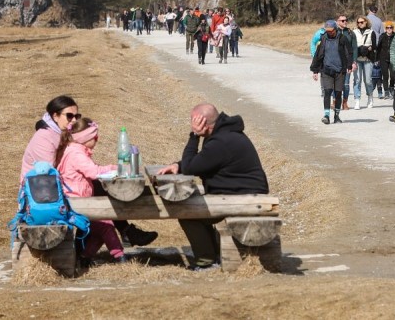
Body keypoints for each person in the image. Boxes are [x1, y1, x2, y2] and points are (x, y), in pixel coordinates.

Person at [19, 95, 156, 246]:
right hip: (40, 197)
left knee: (101, 185)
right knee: (98, 186)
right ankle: (125, 233)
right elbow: (46, 175)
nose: (73, 120)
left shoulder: (58, 133)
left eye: (77, 116)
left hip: (59, 187)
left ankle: (126, 232)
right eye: (69, 116)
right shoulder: (44, 138)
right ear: (55, 116)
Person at [155, 104, 268, 270]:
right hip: (242, 193)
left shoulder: (221, 141)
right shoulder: (224, 134)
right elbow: (202, 161)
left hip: (245, 199)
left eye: (193, 121)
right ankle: (211, 254)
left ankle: (206, 261)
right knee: (196, 205)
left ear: (202, 122)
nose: (192, 124)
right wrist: (178, 165)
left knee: (187, 211)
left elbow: (191, 168)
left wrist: (194, 136)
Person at [55, 117, 127, 266]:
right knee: (106, 224)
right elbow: (93, 172)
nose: (97, 139)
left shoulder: (74, 149)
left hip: (77, 200)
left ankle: (84, 257)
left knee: (100, 229)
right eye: (95, 137)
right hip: (75, 203)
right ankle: (120, 257)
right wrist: (115, 168)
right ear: (85, 138)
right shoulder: (76, 153)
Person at [310, 19, 353, 124]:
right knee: (327, 92)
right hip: (326, 70)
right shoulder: (323, 38)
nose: (329, 32)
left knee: (338, 93)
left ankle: (337, 116)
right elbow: (318, 55)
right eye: (327, 30)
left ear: (335, 29)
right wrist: (315, 70)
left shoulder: (342, 38)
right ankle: (326, 115)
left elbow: (349, 52)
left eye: (331, 30)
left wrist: (349, 65)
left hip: (340, 70)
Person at [351, 16, 377, 109]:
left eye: (362, 22)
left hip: (367, 59)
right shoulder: (354, 32)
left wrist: (368, 48)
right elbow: (352, 45)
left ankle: (370, 97)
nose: (360, 24)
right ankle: (357, 100)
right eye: (358, 22)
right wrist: (358, 49)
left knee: (368, 80)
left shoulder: (371, 32)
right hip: (357, 59)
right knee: (357, 80)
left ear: (366, 22)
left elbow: (374, 46)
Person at [335, 15, 356, 111]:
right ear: (338, 22)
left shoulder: (350, 33)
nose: (345, 22)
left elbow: (354, 48)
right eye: (342, 21)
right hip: (335, 62)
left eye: (346, 20)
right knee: (334, 83)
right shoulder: (333, 32)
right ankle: (335, 101)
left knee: (346, 84)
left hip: (347, 62)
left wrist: (353, 62)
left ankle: (345, 102)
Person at [376, 21, 395, 99]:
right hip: (383, 58)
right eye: (388, 28)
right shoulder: (382, 36)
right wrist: (376, 59)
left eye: (391, 27)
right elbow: (378, 48)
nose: (389, 29)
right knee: (385, 76)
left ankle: (391, 87)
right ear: (385, 28)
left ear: (393, 28)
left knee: (393, 75)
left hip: (393, 58)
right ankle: (386, 91)